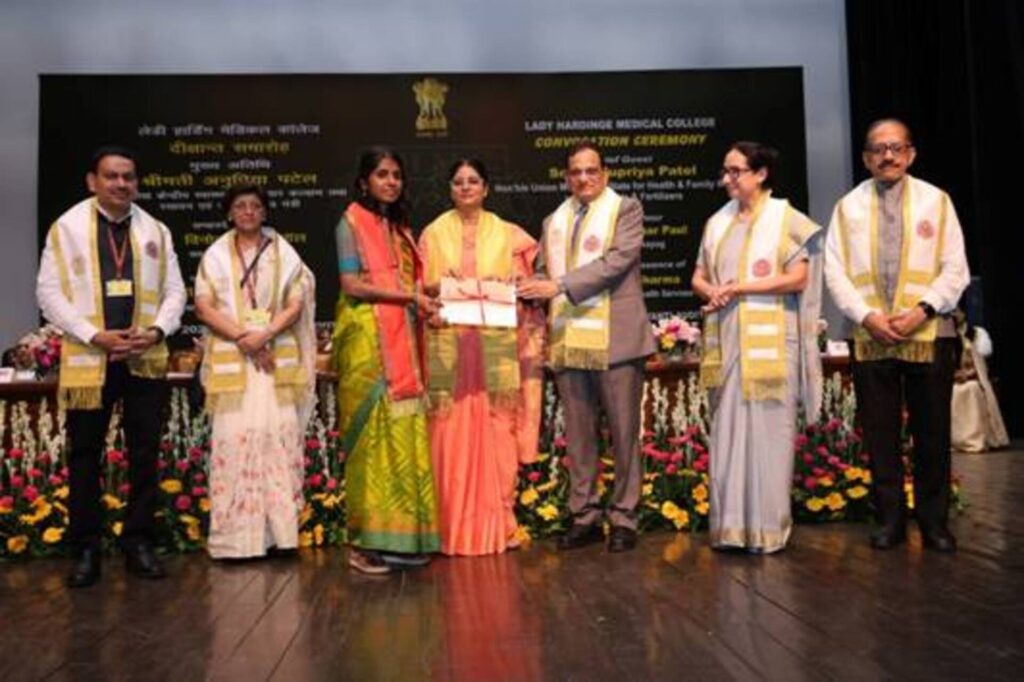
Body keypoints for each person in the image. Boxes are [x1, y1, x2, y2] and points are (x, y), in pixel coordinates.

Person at [36, 145, 186, 587]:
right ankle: (85, 548)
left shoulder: (155, 229)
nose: (122, 184)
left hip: (143, 356)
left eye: (129, 177)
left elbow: (176, 290)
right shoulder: (66, 228)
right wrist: (93, 334)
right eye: (112, 176)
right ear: (92, 181)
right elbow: (48, 292)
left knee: (144, 453)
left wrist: (157, 331)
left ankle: (138, 540)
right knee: (85, 454)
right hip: (92, 356)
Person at [825, 119, 969, 552]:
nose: (888, 156)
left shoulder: (936, 202)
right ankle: (889, 520)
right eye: (878, 149)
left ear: (910, 154)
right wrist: (866, 316)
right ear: (866, 158)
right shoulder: (847, 207)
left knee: (931, 433)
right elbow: (834, 271)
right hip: (872, 336)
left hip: (927, 333)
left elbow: (955, 267)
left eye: (896, 148)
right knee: (880, 434)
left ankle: (933, 522)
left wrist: (923, 309)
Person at [518, 141, 655, 553]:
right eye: (575, 172)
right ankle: (585, 516)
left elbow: (618, 261)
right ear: (566, 177)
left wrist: (557, 285)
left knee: (623, 432)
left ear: (605, 174)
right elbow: (544, 271)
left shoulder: (626, 210)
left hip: (617, 339)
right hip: (569, 340)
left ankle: (625, 517)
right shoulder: (553, 219)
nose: (583, 178)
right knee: (579, 436)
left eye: (591, 171)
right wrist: (521, 285)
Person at [692, 142, 823, 554]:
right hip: (729, 336)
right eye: (725, 171)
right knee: (729, 429)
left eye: (736, 171)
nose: (727, 179)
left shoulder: (787, 218)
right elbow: (698, 275)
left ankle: (768, 529)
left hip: (771, 342)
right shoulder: (717, 222)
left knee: (769, 432)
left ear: (761, 173)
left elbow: (798, 277)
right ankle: (731, 529)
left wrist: (740, 287)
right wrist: (711, 290)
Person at [418, 159, 546, 556]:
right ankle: (449, 528)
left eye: (474, 181)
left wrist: (509, 285)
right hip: (450, 349)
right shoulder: (433, 234)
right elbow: (419, 289)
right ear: (450, 189)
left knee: (498, 432)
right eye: (458, 182)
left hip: (495, 349)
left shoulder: (511, 236)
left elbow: (531, 287)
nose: (466, 187)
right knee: (447, 431)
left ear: (486, 188)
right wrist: (448, 286)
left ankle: (498, 524)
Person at [332, 148, 441, 574]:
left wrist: (430, 293)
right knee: (372, 445)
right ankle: (363, 544)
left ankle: (404, 541)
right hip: (367, 346)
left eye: (397, 175)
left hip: (403, 341)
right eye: (382, 175)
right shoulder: (350, 222)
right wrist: (408, 297)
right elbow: (351, 284)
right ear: (364, 181)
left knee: (403, 439)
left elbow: (407, 282)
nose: (391, 182)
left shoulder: (398, 228)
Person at [194, 185, 316, 559]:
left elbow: (296, 302)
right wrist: (244, 338)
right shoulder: (214, 254)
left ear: (265, 212)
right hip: (236, 360)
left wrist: (264, 335)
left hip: (273, 360)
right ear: (229, 213)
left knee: (277, 439)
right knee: (236, 438)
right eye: (240, 206)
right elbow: (203, 306)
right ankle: (236, 541)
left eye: (256, 206)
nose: (248, 211)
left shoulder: (283, 251)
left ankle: (280, 536)